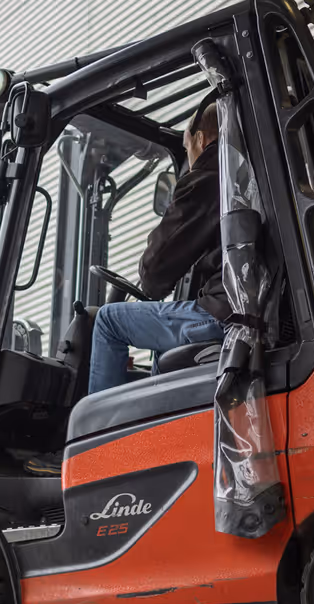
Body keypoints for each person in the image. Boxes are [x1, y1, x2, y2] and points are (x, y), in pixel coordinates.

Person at [87, 103, 228, 394]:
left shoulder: (205, 180)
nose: (189, 158)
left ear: (201, 140)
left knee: (107, 320)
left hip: (218, 315)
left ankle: (101, 431)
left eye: (187, 147)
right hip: (235, 310)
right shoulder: (238, 177)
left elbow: (153, 274)